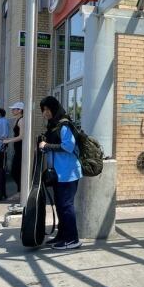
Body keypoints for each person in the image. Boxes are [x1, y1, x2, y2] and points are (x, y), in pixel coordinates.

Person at [38, 96, 82, 251]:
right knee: (60, 206)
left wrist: (47, 145)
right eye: (43, 110)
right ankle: (62, 236)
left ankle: (72, 239)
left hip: (68, 173)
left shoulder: (64, 125)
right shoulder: (53, 126)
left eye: (48, 109)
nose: (46, 113)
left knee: (66, 206)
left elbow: (68, 146)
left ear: (55, 109)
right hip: (59, 174)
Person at [2, 102, 25, 205]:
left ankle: (21, 192)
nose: (12, 111)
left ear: (20, 110)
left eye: (14, 109)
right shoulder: (17, 120)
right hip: (18, 149)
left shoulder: (22, 120)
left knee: (16, 171)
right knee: (15, 171)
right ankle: (20, 191)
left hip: (21, 149)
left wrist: (8, 141)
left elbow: (21, 136)